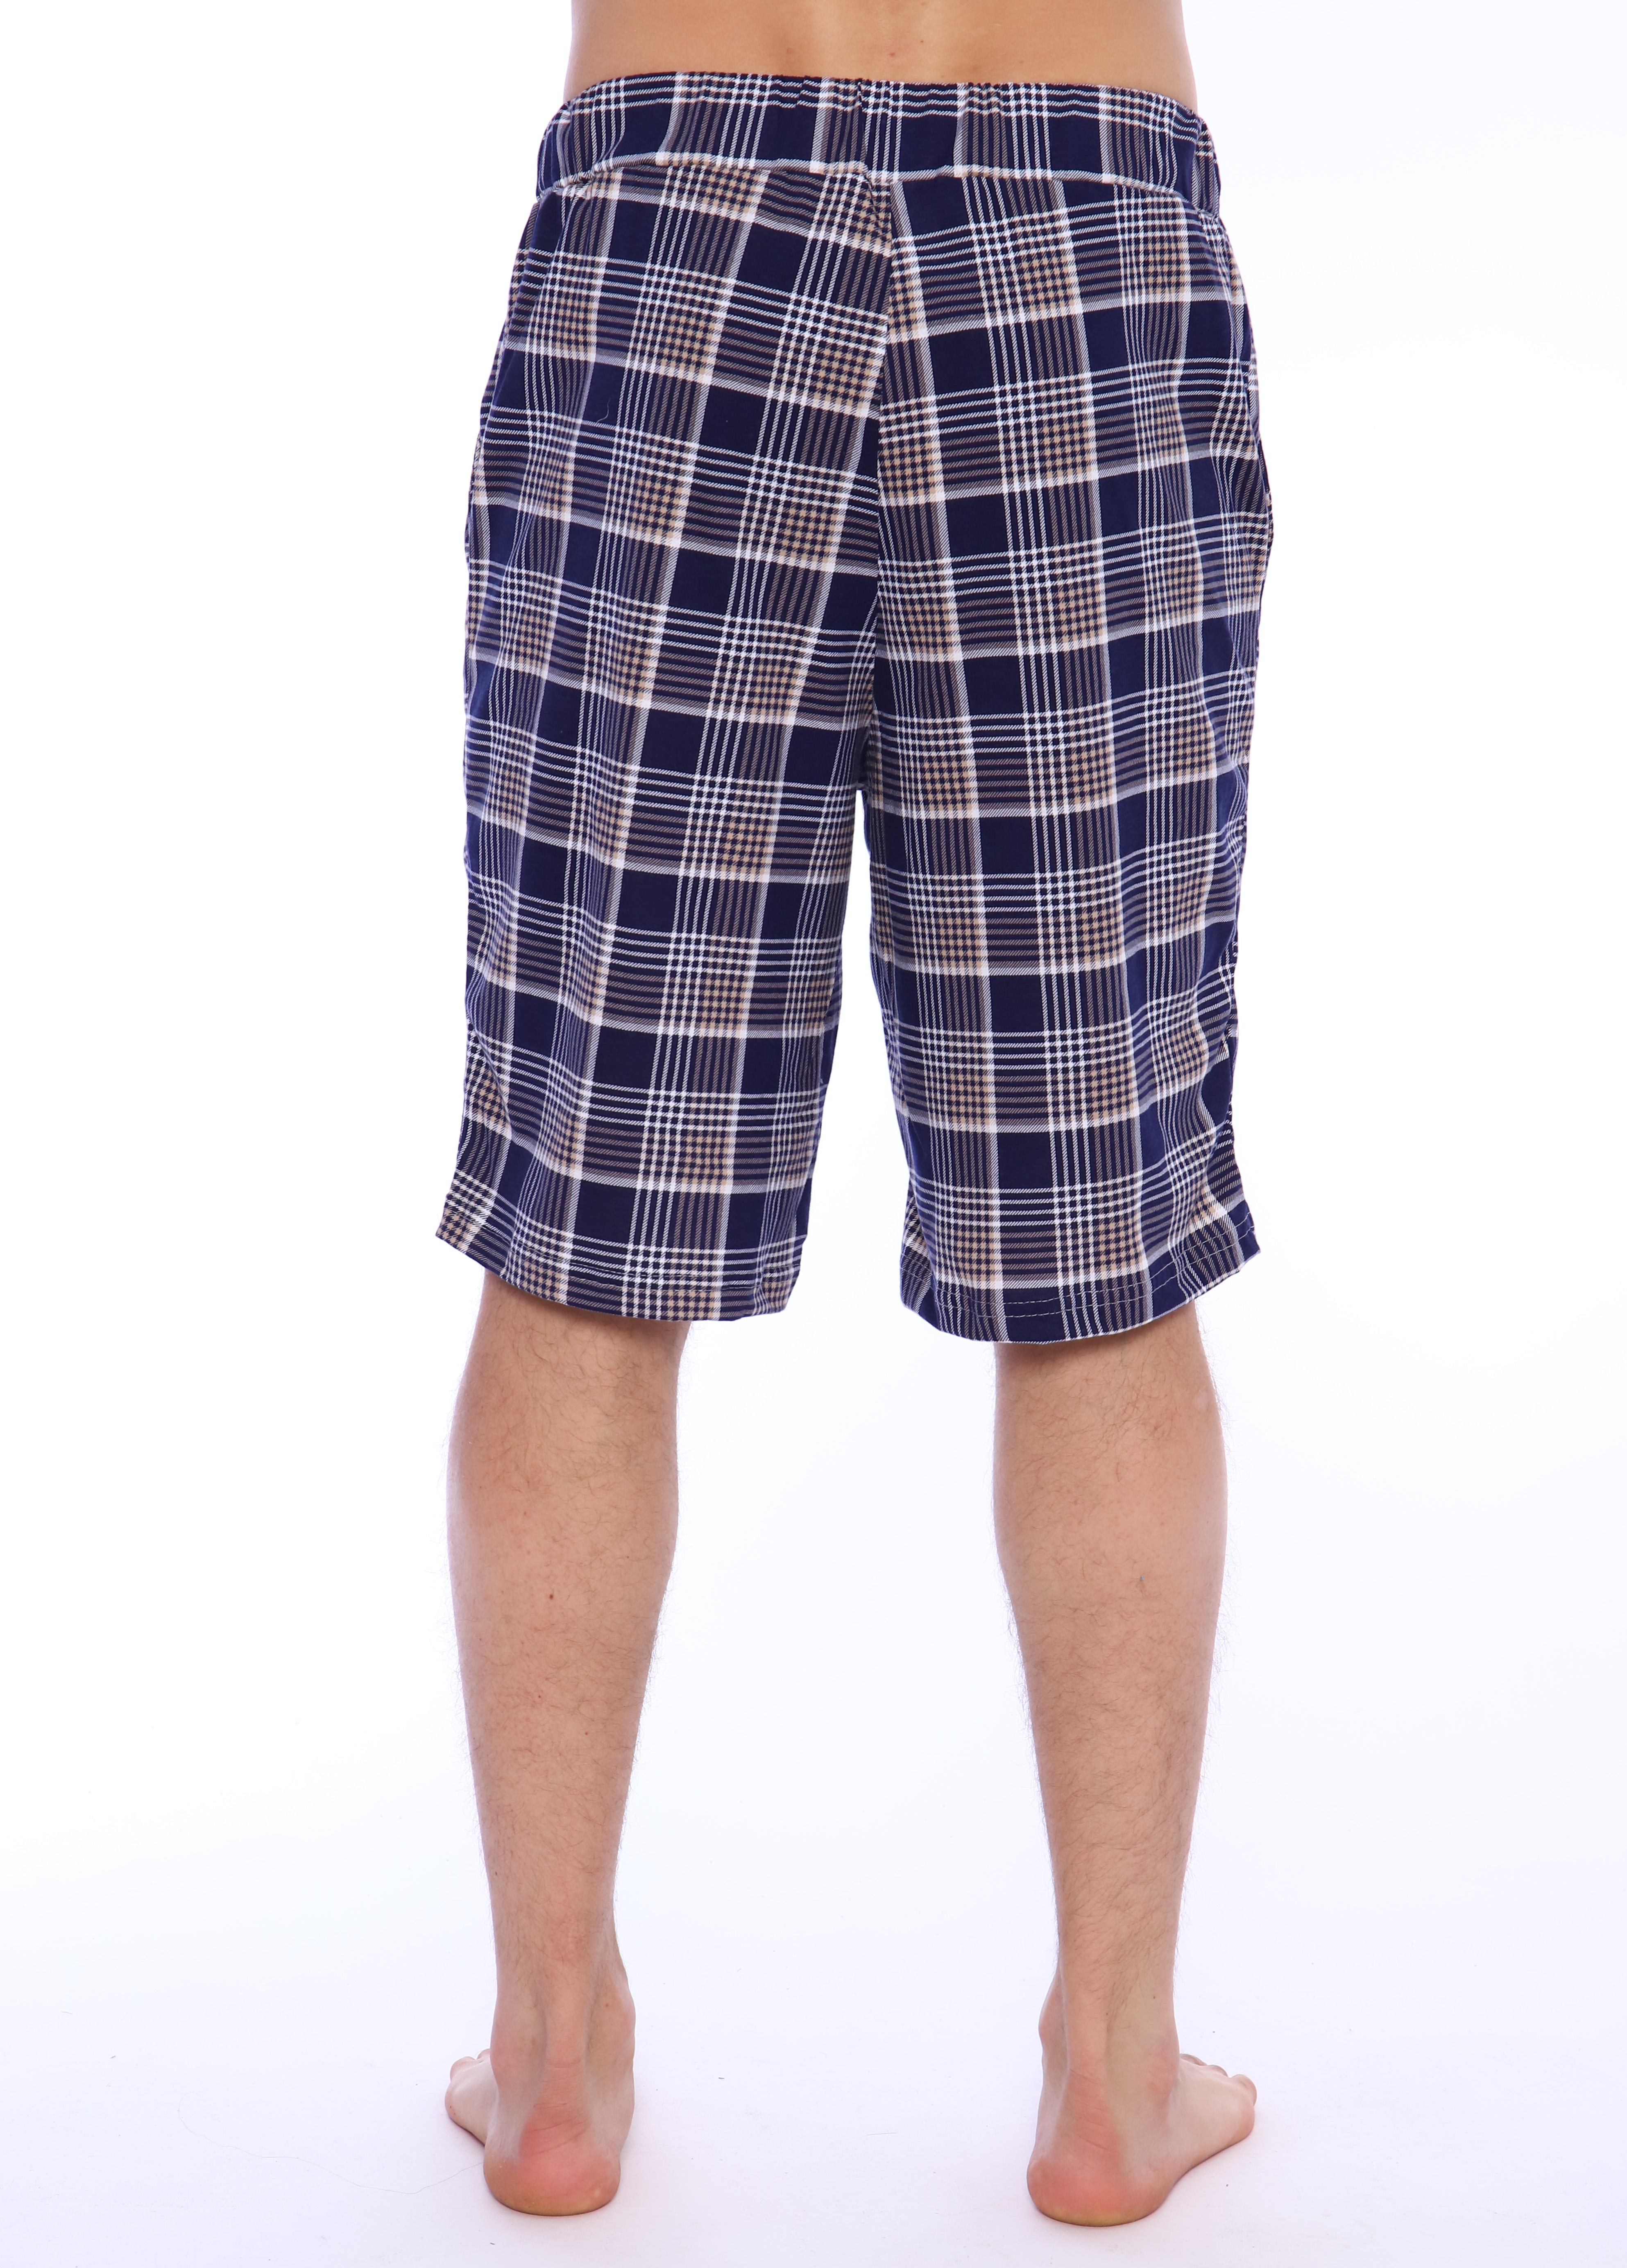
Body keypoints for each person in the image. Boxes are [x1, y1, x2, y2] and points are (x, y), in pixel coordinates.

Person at [436, 0, 1271, 2226]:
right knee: (1099, 1234)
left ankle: (550, 2066)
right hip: (1077, 215)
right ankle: (1113, 2076)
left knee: (584, 1220)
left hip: (679, 202)